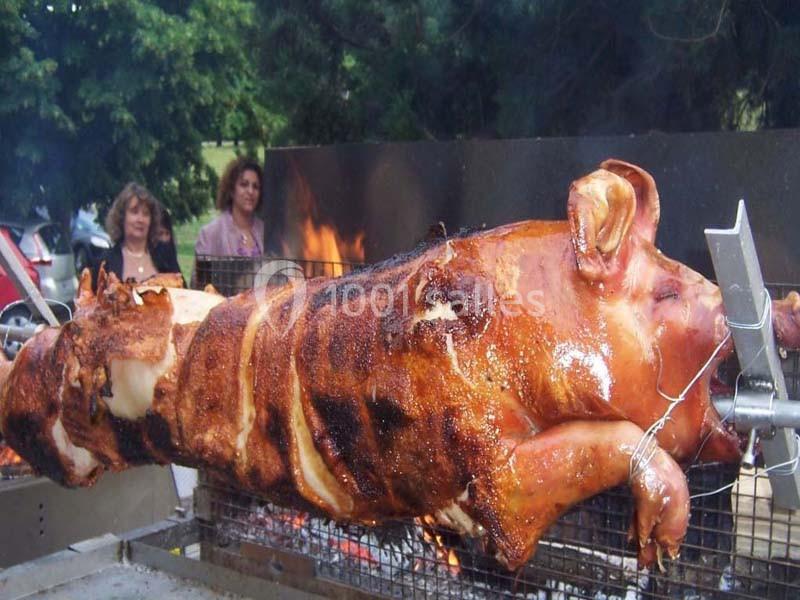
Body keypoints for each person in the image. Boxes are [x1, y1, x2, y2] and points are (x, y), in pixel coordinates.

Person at [98, 182, 182, 283]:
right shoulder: (106, 261)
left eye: (146, 214)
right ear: (122, 217)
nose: (140, 219)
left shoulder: (165, 258)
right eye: (134, 212)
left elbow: (182, 290)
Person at [194, 157, 264, 258]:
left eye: (256, 186)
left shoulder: (265, 232)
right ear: (231, 190)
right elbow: (201, 268)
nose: (250, 191)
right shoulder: (211, 234)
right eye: (244, 185)